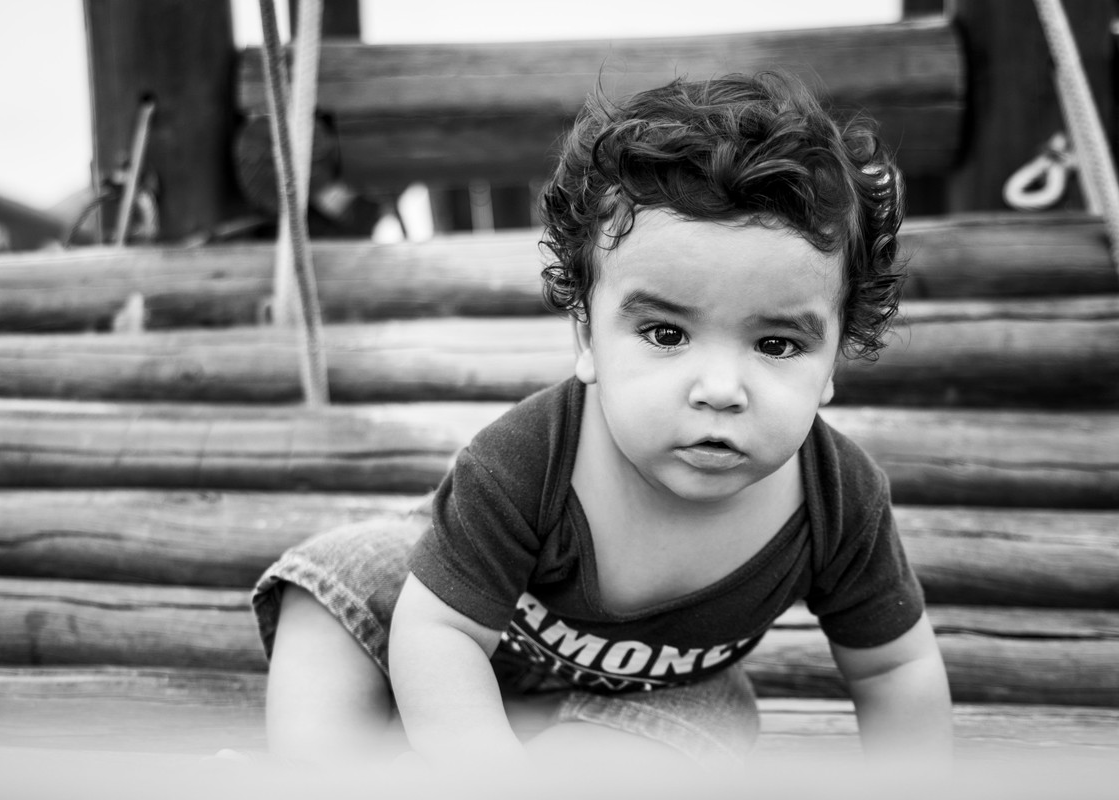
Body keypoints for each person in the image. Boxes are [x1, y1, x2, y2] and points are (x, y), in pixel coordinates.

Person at [251, 72, 953, 774]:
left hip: (657, 690)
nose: (718, 389)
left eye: (777, 345)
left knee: (712, 720)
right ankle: (325, 774)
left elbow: (894, 669)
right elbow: (437, 631)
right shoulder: (528, 459)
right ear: (587, 337)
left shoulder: (837, 504)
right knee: (337, 583)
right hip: (448, 619)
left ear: (834, 357)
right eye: (666, 334)